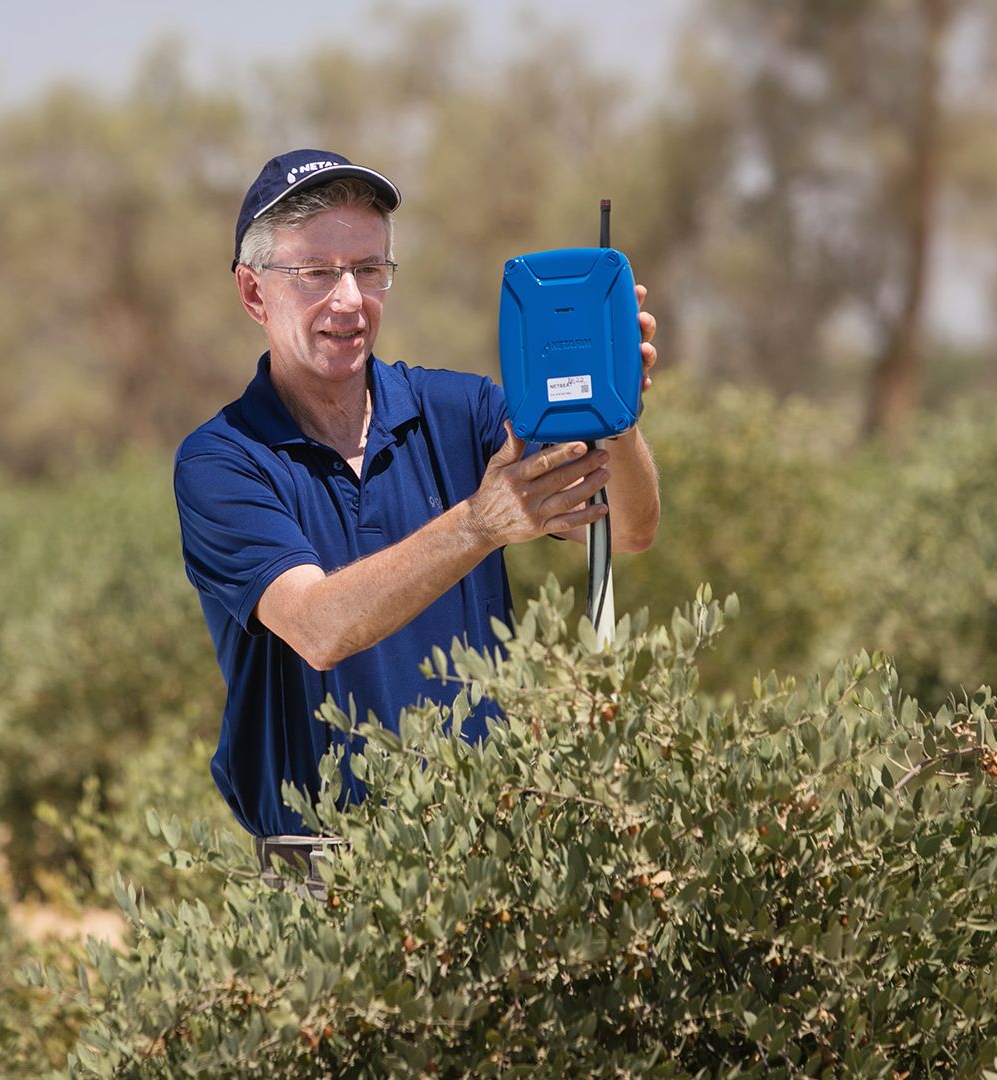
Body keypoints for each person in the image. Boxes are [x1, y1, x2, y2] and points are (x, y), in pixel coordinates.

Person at [174, 149, 661, 860]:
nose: (349, 299)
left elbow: (629, 534)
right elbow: (318, 626)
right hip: (321, 868)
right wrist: (479, 524)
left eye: (369, 270)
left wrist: (612, 405)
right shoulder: (223, 460)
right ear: (254, 294)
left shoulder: (460, 411)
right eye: (317, 272)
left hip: (489, 851)